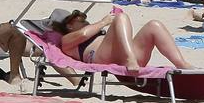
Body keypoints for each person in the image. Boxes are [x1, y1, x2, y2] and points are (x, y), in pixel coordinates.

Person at [53, 8, 191, 71]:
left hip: (126, 54)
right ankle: (130, 59)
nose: (85, 21)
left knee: (154, 25)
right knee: (121, 17)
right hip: (101, 57)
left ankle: (181, 64)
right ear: (69, 25)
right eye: (80, 20)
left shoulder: (92, 31)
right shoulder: (66, 41)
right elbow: (83, 34)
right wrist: (103, 22)